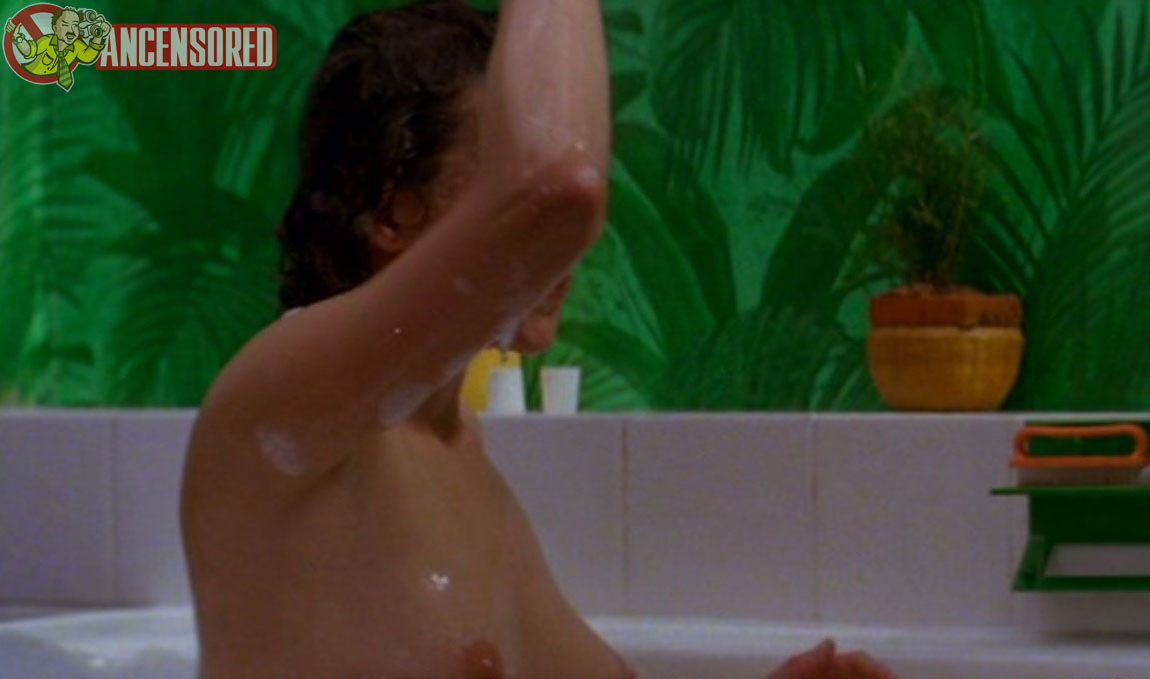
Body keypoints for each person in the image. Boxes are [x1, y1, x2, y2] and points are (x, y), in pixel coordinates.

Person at [180, 1, 897, 678]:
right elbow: (556, 187)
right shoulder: (276, 409)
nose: (558, 254)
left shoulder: (456, 451)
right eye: (495, 174)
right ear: (391, 213)